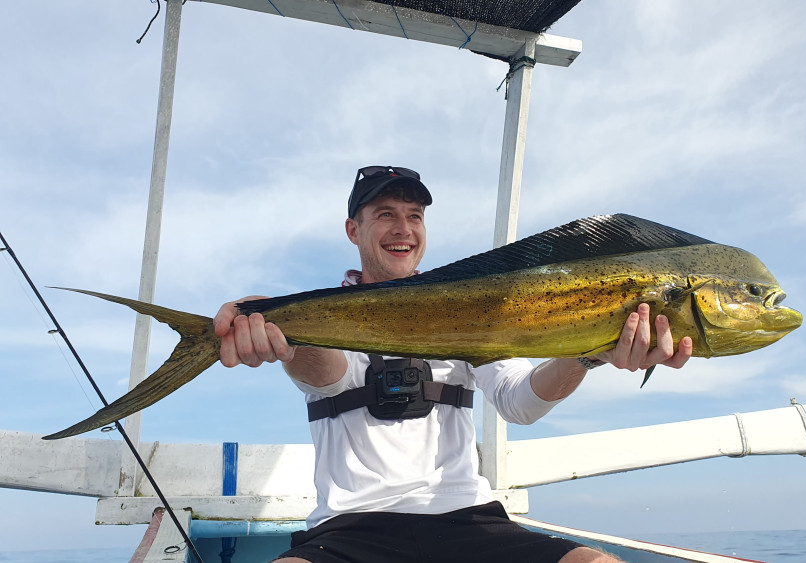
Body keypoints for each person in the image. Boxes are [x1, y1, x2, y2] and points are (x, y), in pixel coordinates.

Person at [213, 165, 693, 563]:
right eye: (385, 214)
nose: (403, 229)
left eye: (415, 216)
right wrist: (271, 319)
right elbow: (324, 375)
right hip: (352, 527)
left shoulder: (469, 310)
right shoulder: (324, 315)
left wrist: (587, 354)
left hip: (468, 520)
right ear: (353, 230)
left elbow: (519, 402)